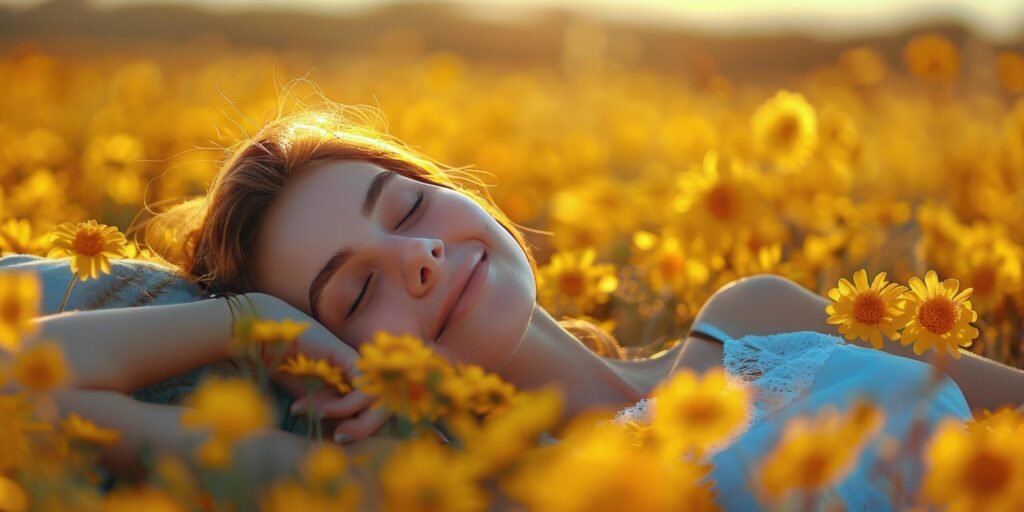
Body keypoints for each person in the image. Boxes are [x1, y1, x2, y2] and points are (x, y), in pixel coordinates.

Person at [25, 105, 1024, 508]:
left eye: (410, 206)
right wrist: (248, 323)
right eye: (356, 287)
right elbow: (21, 392)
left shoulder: (755, 313)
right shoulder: (436, 490)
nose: (416, 256)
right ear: (329, 351)